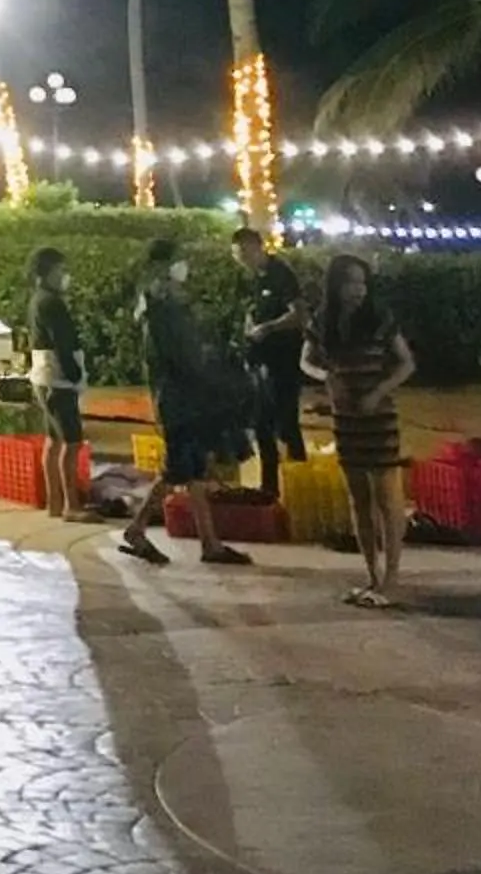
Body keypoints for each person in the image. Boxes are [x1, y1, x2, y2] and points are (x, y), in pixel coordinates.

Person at [119, 239, 255, 570]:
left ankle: (206, 541)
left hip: (182, 398)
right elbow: (185, 358)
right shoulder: (164, 308)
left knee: (190, 470)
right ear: (167, 266)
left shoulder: (158, 304)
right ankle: (141, 529)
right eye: (181, 261)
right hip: (182, 400)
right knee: (180, 468)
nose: (186, 268)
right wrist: (218, 375)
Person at [304, 254, 415, 609]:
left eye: (362, 282)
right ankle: (371, 573)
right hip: (346, 419)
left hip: (378, 417)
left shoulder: (379, 318)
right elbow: (305, 359)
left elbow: (406, 363)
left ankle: (392, 578)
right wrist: (327, 377)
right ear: (335, 285)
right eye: (350, 282)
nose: (358, 290)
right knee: (359, 499)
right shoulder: (325, 321)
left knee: (387, 497)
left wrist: (378, 391)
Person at [231, 224, 307, 503]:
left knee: (286, 423)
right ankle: (270, 487)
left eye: (244, 254)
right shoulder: (254, 278)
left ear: (256, 247)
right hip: (260, 362)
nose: (241, 261)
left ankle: (299, 483)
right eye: (237, 256)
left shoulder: (280, 275)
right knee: (261, 424)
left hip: (283, 362)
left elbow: (299, 315)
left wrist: (269, 328)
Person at [26, 244, 99, 523]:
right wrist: (74, 376)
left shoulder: (37, 299)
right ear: (47, 272)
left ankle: (55, 503)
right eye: (61, 270)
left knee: (53, 441)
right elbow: (63, 342)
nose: (65, 276)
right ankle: (71, 505)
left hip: (44, 378)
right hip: (57, 380)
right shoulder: (51, 303)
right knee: (72, 441)